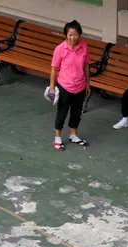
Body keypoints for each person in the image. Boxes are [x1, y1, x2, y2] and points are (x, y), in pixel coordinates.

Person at [48, 20, 91, 152]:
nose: (73, 37)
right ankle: (57, 138)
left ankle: (73, 135)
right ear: (66, 35)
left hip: (80, 86)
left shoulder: (84, 46)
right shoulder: (60, 49)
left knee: (76, 113)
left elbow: (86, 66)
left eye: (76, 34)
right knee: (62, 113)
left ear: (80, 34)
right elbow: (54, 69)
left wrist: (88, 84)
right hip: (64, 86)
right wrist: (52, 87)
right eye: (70, 35)